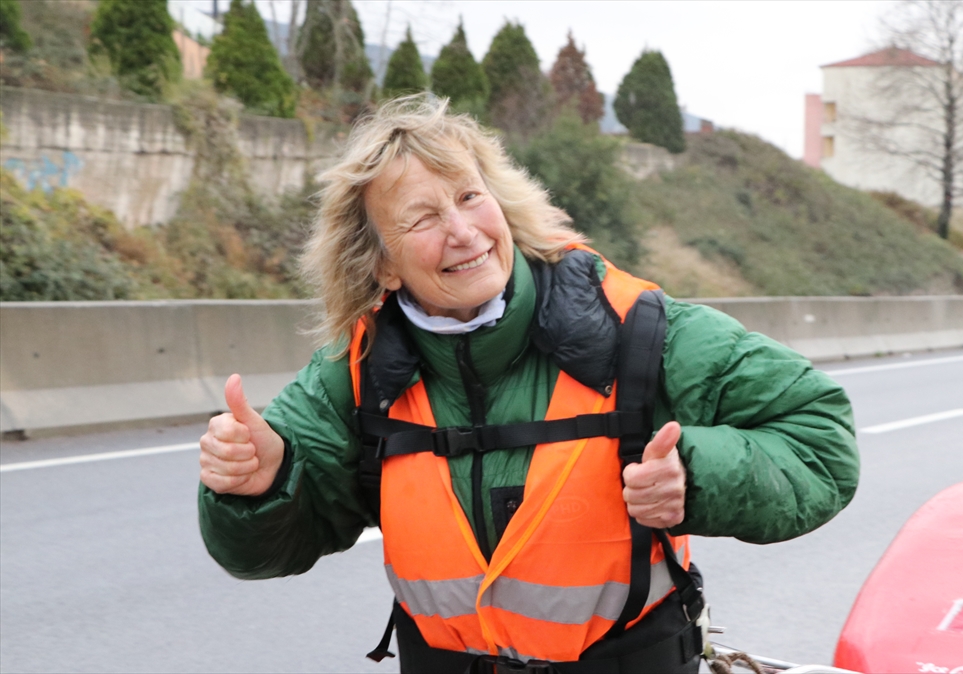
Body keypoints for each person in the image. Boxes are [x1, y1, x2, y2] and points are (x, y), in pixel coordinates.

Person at [197, 96, 859, 674]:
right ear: (382, 266)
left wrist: (695, 475)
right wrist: (261, 486)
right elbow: (260, 553)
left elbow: (820, 441)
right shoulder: (355, 373)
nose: (462, 232)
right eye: (422, 219)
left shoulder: (639, 331)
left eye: (468, 196)